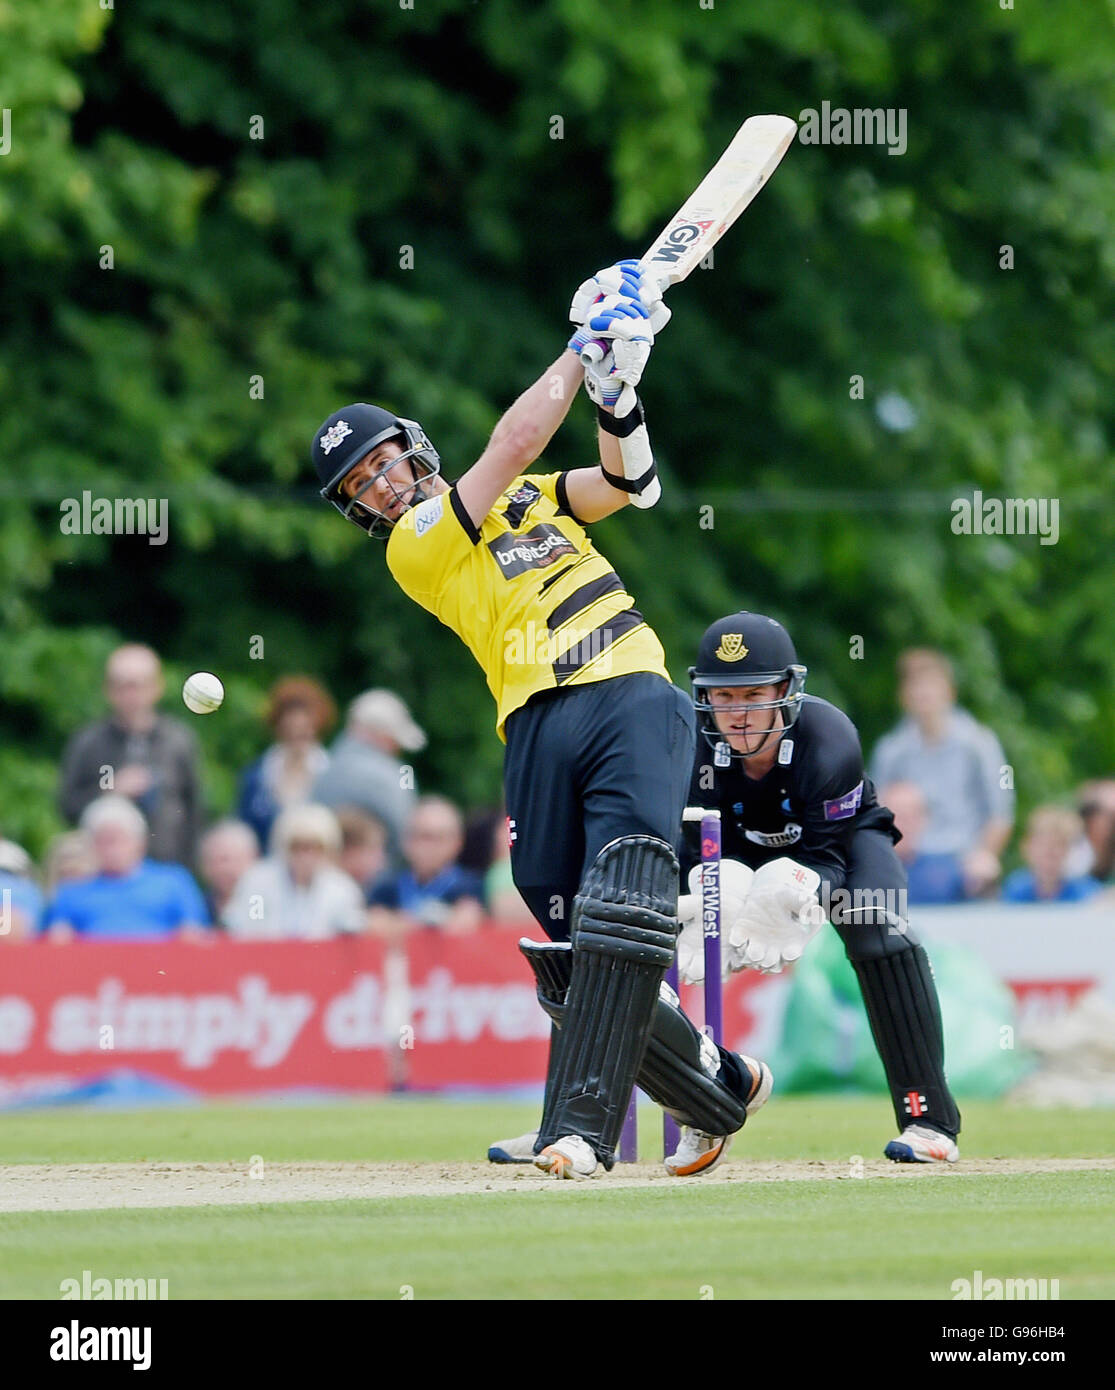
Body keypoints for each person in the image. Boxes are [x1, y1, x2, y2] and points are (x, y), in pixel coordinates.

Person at [311, 259, 769, 1178]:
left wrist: (613, 388)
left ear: (412, 448)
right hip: (532, 722)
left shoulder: (529, 499)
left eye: (383, 464)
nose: (382, 487)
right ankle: (715, 1081)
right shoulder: (417, 547)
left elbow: (625, 485)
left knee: (624, 896)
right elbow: (515, 439)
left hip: (629, 689)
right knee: (568, 939)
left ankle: (579, 1132)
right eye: (361, 485)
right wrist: (581, 344)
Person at [673, 611, 962, 1165]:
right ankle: (705, 1105)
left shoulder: (828, 738)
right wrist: (710, 893)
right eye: (723, 697)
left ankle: (928, 1119)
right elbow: (687, 849)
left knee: (879, 930)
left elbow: (827, 857)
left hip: (838, 844)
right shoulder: (689, 746)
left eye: (753, 694)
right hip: (731, 849)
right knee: (657, 942)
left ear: (786, 690)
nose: (737, 713)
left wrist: (793, 886)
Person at [869, 648, 1014, 897]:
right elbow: (876, 810)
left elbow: (1001, 813)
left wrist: (985, 855)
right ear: (904, 696)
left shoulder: (980, 743)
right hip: (907, 859)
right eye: (916, 688)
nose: (923, 696)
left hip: (962, 861)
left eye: (930, 688)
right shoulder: (891, 749)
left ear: (949, 692)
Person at [58, 644, 204, 867]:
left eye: (137, 686)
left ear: (157, 687)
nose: (130, 695)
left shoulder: (179, 741)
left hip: (168, 867)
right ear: (108, 690)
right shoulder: (88, 742)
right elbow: (67, 807)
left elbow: (195, 811)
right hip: (102, 873)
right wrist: (110, 791)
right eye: (121, 686)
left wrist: (189, 868)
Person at [42, 795, 209, 941]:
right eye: (103, 841)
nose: (111, 849)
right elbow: (56, 942)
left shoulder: (174, 882)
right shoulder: (72, 893)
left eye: (118, 839)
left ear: (140, 842)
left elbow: (195, 934)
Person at [312, 690, 425, 865]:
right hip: (380, 882)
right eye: (394, 740)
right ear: (382, 734)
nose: (396, 749)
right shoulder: (393, 774)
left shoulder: (323, 768)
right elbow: (407, 834)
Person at [222, 803, 365, 939]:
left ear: (328, 850)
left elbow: (351, 927)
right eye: (298, 847)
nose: (306, 856)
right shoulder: (258, 884)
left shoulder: (341, 889)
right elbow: (247, 926)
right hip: (267, 960)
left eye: (315, 848)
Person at [367, 796, 485, 940]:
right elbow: (374, 926)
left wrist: (402, 924)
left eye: (437, 838)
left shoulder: (470, 886)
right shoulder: (386, 888)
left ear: (457, 842)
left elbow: (465, 924)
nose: (427, 847)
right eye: (419, 837)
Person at [237, 677, 335, 850]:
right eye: (291, 730)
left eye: (304, 731)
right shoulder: (257, 775)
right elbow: (245, 829)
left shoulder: (332, 773)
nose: (297, 738)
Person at [879, 781, 966, 905]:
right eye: (897, 816)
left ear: (925, 820)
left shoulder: (948, 873)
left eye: (913, 816)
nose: (905, 824)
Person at [1002, 805, 1103, 904]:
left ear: (1068, 850)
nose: (1049, 851)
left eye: (1058, 845)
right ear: (1027, 847)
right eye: (1042, 844)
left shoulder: (1084, 889)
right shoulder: (1016, 886)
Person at [197, 820, 260, 926]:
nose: (228, 868)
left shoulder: (260, 903)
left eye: (237, 860)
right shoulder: (198, 905)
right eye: (221, 860)